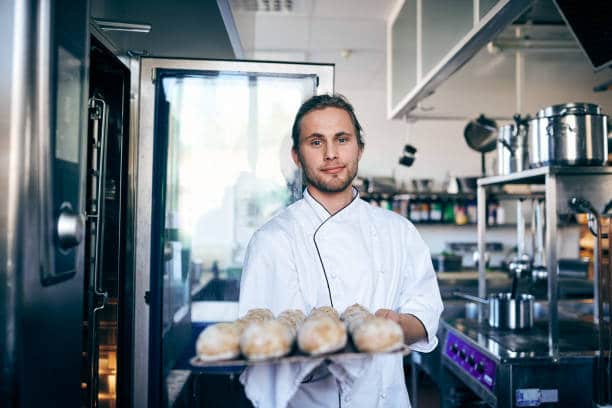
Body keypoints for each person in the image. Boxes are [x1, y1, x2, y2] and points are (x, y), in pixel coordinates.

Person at [238, 94, 443, 407]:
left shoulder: (398, 231)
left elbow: (426, 312)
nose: (332, 154)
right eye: (316, 142)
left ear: (359, 148)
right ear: (297, 155)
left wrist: (399, 326)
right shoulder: (271, 241)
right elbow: (257, 345)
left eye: (342, 139)